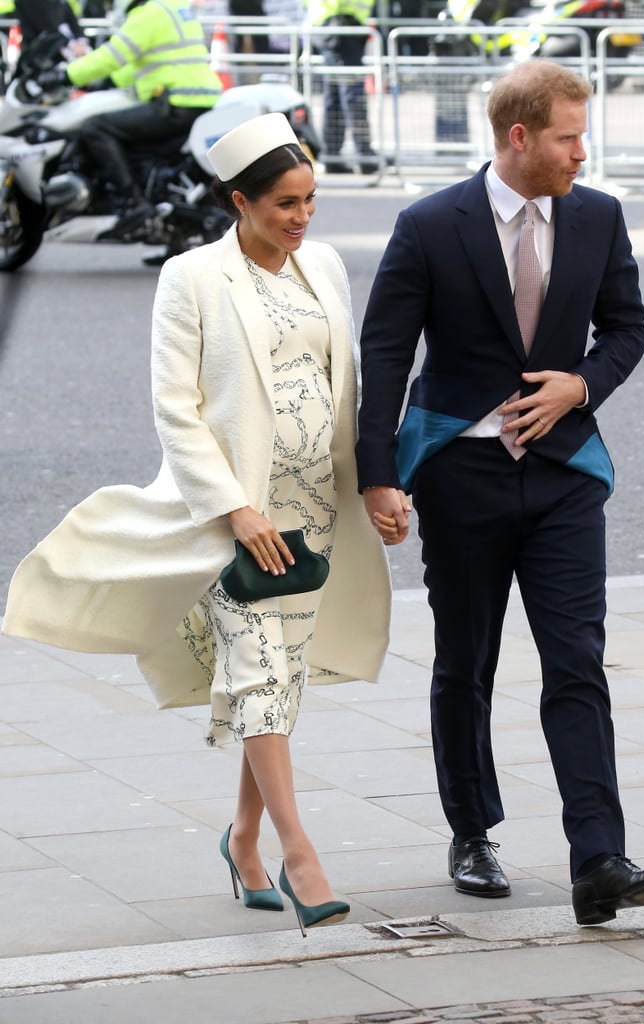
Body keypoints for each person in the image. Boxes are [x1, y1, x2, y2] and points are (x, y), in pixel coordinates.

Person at [2, 111, 391, 936]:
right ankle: (298, 853)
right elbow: (175, 411)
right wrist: (236, 509)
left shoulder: (322, 265)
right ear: (238, 201)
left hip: (316, 505)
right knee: (256, 668)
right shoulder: (192, 278)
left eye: (310, 199)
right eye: (284, 203)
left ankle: (243, 836)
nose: (302, 218)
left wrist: (374, 486)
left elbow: (344, 386)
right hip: (236, 514)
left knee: (281, 678)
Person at [355, 60, 644, 926]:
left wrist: (580, 385)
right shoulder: (430, 224)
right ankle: (472, 832)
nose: (584, 151)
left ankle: (599, 860)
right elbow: (386, 353)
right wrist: (377, 474)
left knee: (577, 659)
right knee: (467, 660)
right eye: (570, 136)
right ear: (520, 137)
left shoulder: (599, 216)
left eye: (584, 135)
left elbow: (627, 329)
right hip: (461, 475)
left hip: (566, 474)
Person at [39, 0, 222, 236]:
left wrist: (66, 75)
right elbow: (138, 63)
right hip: (199, 99)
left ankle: (132, 204)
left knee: (96, 127)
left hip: (176, 103)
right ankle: (172, 235)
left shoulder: (148, 14)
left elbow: (111, 56)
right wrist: (106, 81)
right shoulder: (174, 7)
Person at [306, 0, 382, 174]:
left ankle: (332, 154)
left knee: (335, 95)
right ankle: (363, 155)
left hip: (330, 25)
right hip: (340, 26)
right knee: (352, 95)